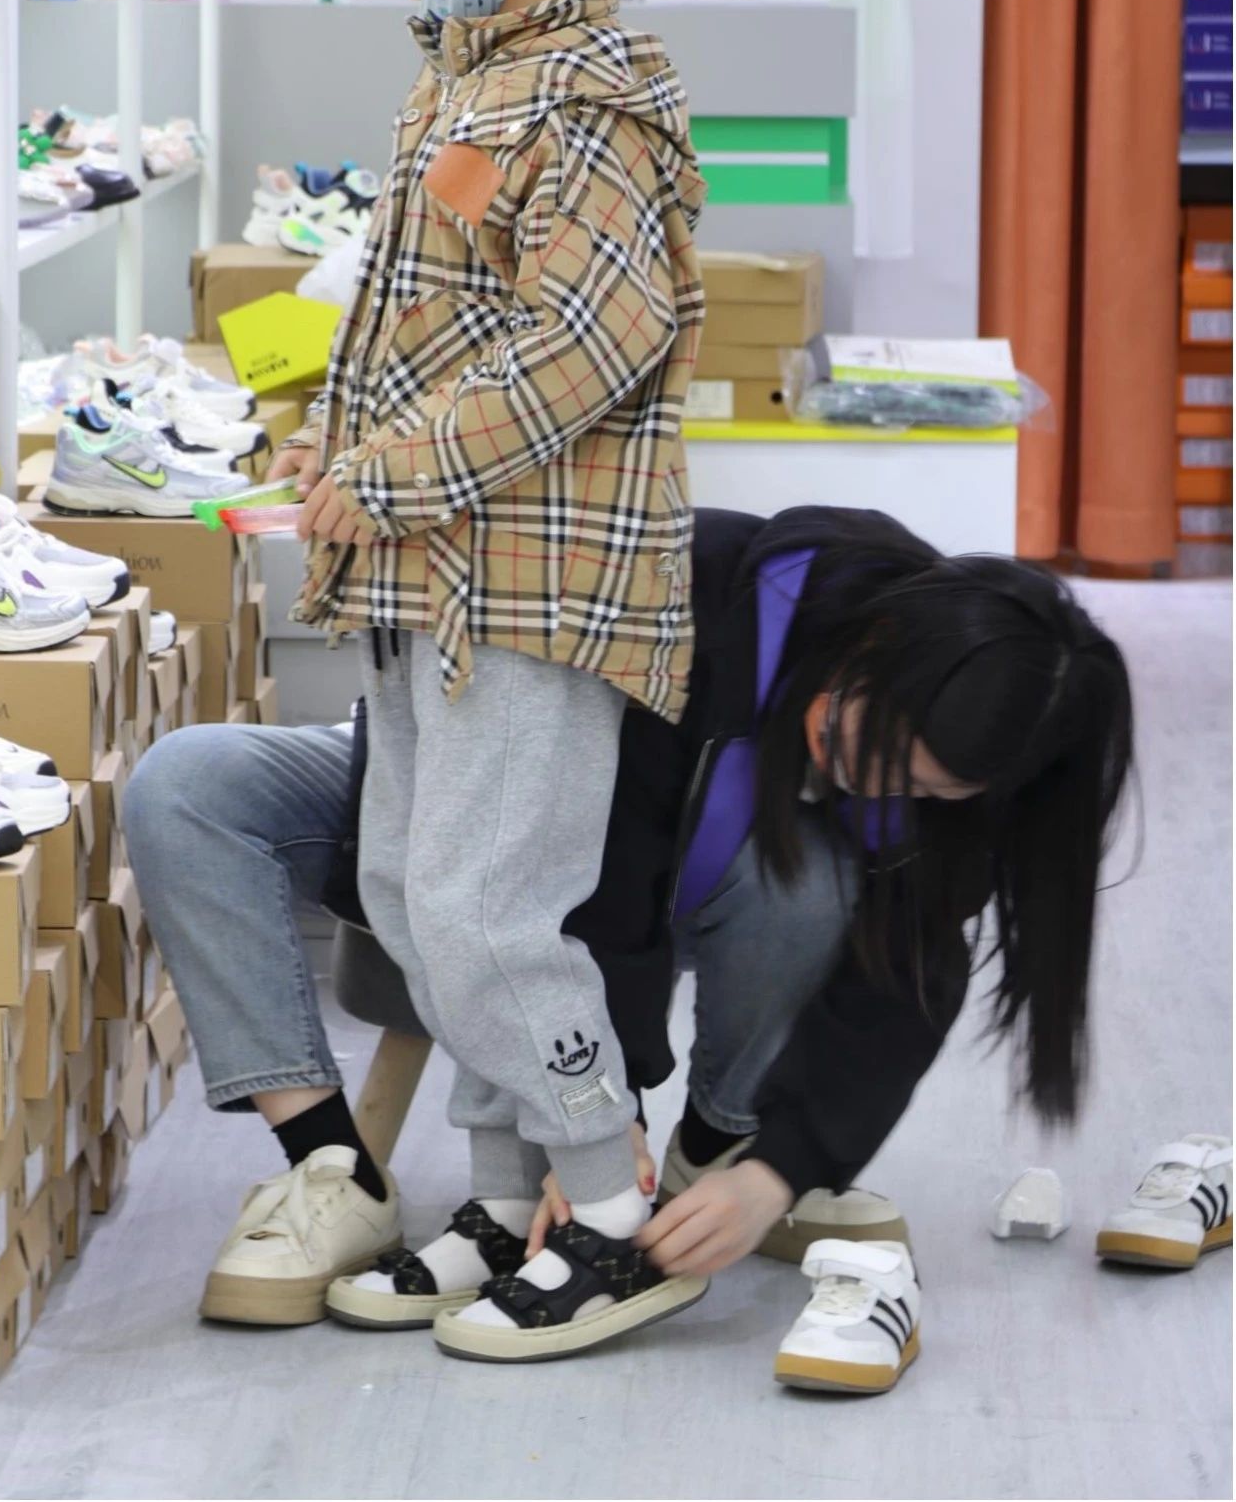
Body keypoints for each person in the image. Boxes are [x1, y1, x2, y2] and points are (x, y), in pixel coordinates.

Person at [138, 0, 709, 1366]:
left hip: (534, 591)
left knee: (480, 908)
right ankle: (503, 1198)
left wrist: (384, 470)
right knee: (405, 889)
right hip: (430, 586)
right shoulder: (464, 82)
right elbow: (426, 330)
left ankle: (613, 1210)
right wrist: (337, 439)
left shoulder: (592, 102)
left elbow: (585, 344)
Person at [128, 502, 1143, 1393]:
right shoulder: (701, 586)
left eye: (921, 788)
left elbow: (910, 971)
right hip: (496, 798)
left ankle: (715, 1148)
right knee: (189, 787)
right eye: (862, 739)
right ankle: (331, 1171)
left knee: (815, 883)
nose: (877, 784)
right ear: (875, 642)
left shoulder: (964, 748)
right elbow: (590, 862)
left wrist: (778, 1169)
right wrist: (601, 1119)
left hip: (675, 886)